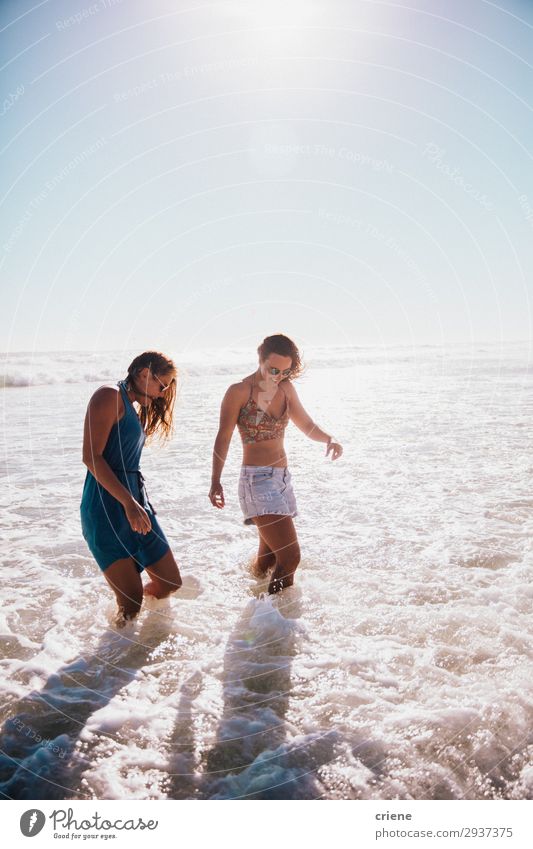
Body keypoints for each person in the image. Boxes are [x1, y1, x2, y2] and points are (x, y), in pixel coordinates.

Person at [209, 334, 343, 594]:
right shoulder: (239, 391)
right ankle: (278, 623)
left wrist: (329, 438)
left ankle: (250, 606)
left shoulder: (286, 389)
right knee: (290, 557)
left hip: (282, 481)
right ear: (260, 358)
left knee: (269, 558)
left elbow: (306, 425)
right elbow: (223, 437)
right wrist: (215, 481)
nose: (278, 376)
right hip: (257, 481)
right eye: (273, 370)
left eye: (285, 371)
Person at [81, 351, 182, 625]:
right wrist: (128, 503)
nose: (162, 395)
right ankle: (115, 658)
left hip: (136, 504)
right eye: (162, 385)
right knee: (131, 603)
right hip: (106, 507)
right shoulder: (108, 396)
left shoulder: (131, 405)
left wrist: (136, 503)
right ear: (143, 373)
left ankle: (149, 634)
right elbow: (91, 457)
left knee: (169, 581)